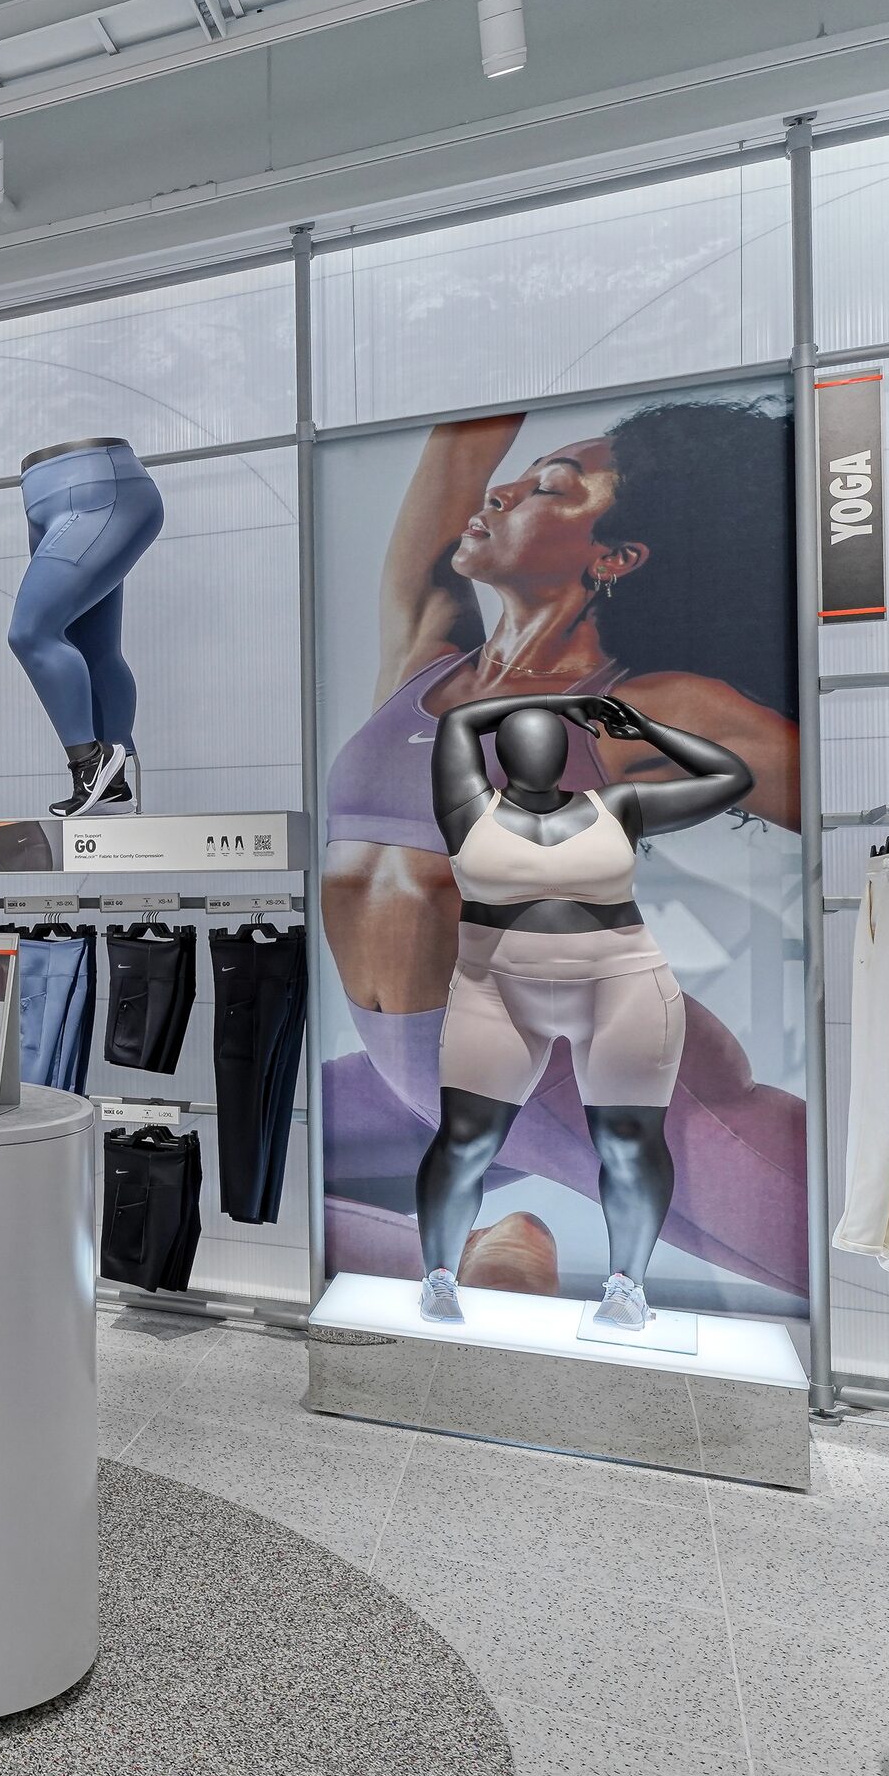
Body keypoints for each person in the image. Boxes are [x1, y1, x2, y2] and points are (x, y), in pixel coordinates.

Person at [321, 401, 804, 1301]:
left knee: (869, 1271)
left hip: (572, 1073)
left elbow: (848, 794)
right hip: (411, 1071)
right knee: (242, 1161)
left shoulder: (647, 702)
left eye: (548, 487)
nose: (503, 492)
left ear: (615, 558)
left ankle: (497, 1256)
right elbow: (461, 440)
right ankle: (492, 1246)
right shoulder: (427, 650)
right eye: (526, 472)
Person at [414, 693, 751, 1329]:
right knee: (465, 1139)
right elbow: (458, 719)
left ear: (566, 754)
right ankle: (438, 1277)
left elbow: (733, 778)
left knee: (626, 1141)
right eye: (523, 737)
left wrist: (648, 727)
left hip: (621, 984)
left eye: (549, 737)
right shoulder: (467, 809)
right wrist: (563, 700)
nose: (537, 749)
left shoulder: (616, 806)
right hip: (495, 988)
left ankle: (628, 1287)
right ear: (502, 753)